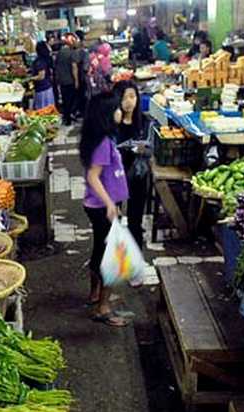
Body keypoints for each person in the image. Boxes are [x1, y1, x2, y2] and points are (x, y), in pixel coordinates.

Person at [80, 92, 130, 327]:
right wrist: (111, 204)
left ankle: (95, 295)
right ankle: (103, 307)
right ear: (107, 115)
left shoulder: (100, 138)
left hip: (98, 206)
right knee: (111, 258)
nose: (121, 112)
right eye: (117, 109)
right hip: (103, 207)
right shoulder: (102, 143)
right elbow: (93, 176)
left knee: (99, 249)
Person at [113, 80, 150, 260]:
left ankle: (136, 261)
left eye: (132, 96)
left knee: (135, 220)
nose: (129, 101)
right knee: (115, 220)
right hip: (115, 177)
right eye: (124, 97)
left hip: (138, 176)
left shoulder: (144, 122)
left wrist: (144, 148)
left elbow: (151, 147)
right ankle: (118, 260)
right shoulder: (112, 122)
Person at [55, 34, 80, 126]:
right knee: (71, 99)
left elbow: (56, 66)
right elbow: (74, 68)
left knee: (65, 99)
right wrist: (76, 80)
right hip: (70, 80)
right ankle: (70, 117)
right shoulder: (72, 52)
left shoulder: (60, 52)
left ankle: (66, 117)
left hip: (62, 81)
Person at [31, 41, 55, 110]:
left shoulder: (39, 61)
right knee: (49, 110)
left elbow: (41, 76)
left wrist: (30, 78)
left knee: (43, 110)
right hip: (47, 87)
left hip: (42, 90)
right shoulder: (46, 59)